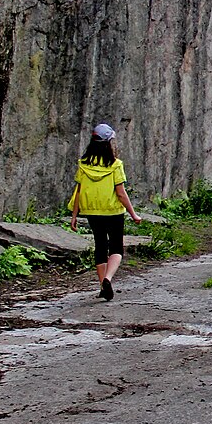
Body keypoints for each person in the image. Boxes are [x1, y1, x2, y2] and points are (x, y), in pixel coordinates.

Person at [68, 123, 141, 301]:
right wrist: (133, 214)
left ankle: (103, 286)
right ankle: (108, 278)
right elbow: (121, 194)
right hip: (113, 211)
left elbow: (78, 191)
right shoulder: (115, 165)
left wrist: (75, 215)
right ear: (110, 143)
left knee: (100, 245)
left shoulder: (83, 164)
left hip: (92, 211)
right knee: (116, 247)